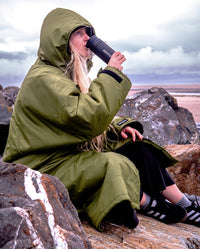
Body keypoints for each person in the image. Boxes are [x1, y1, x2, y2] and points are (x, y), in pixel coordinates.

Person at [3, 8, 200, 230]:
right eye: (79, 33)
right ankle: (152, 204)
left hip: (65, 151)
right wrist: (110, 74)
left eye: (89, 32)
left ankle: (182, 201)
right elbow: (85, 118)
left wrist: (116, 127)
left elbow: (68, 118)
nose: (88, 39)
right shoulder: (44, 79)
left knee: (134, 147)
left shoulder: (63, 74)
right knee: (112, 164)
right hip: (42, 164)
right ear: (59, 40)